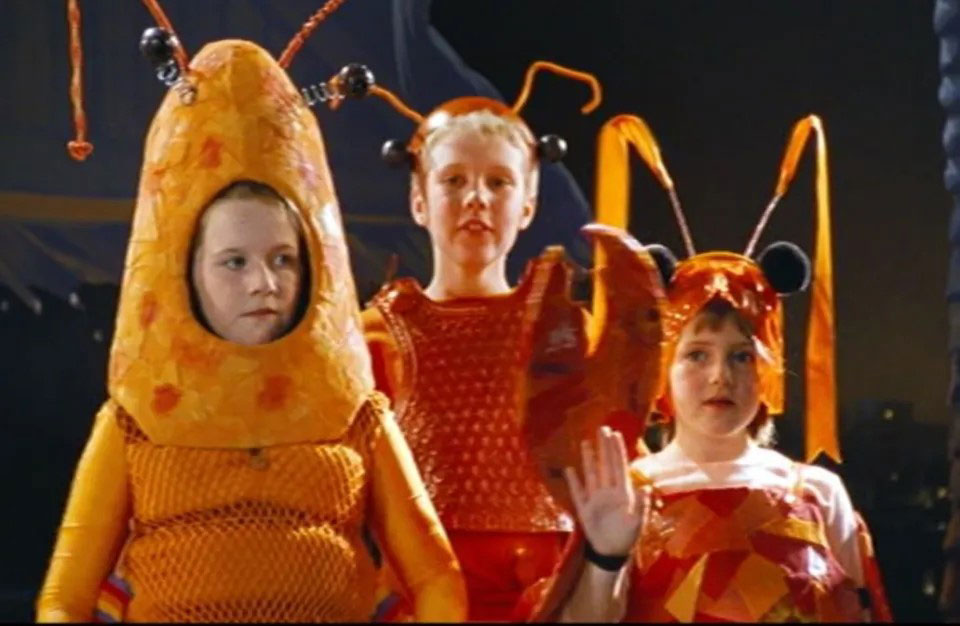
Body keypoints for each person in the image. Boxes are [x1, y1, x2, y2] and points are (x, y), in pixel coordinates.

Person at [36, 35, 465, 623]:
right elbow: (63, 599)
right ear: (185, 273)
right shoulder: (132, 421)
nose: (264, 282)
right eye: (234, 262)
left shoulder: (358, 414)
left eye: (283, 259)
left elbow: (437, 576)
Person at [531, 114, 892, 622]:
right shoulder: (626, 491)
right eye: (696, 354)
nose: (720, 376)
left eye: (741, 356)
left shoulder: (816, 492)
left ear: (766, 368)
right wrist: (606, 555)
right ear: (663, 369)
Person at [350, 61, 606, 621]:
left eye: (498, 182)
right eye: (454, 181)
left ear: (529, 206)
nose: (476, 199)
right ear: (419, 201)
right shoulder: (377, 331)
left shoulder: (565, 330)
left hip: (549, 596)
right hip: (419, 594)